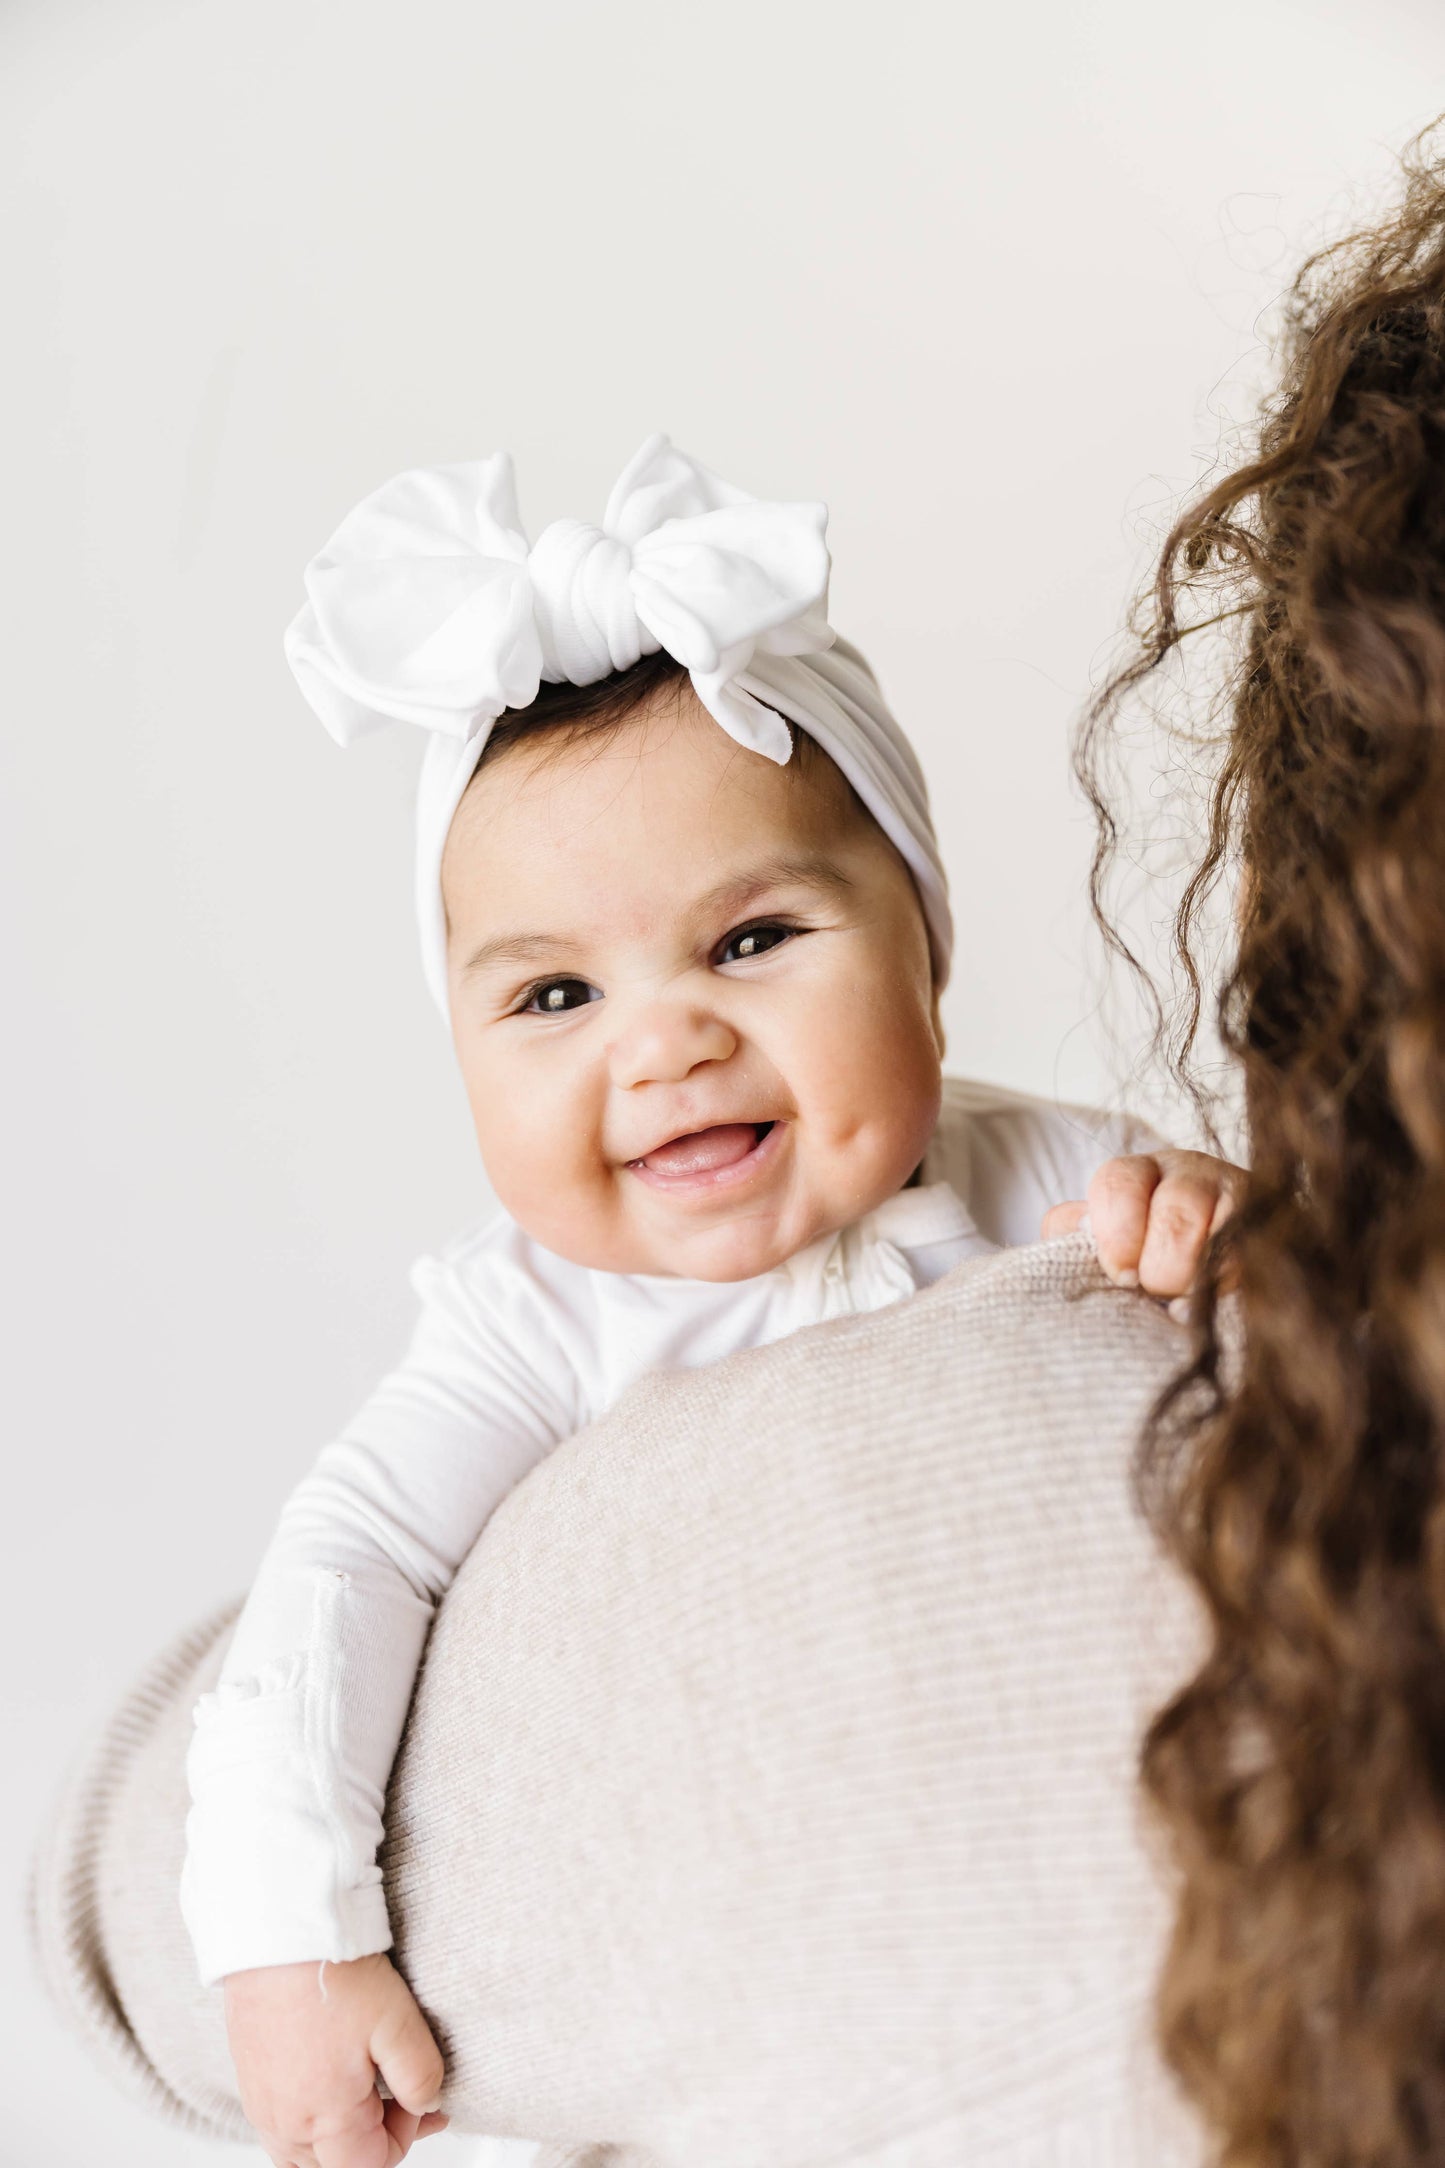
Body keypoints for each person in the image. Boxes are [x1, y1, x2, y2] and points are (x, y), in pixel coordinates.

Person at [178, 433, 1243, 2168]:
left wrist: (1220, 1227)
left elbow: (1295, 1351)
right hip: (716, 1975)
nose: (663, 1042)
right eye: (551, 995)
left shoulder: (1060, 1173)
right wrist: (286, 1920)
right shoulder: (525, 1327)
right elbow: (352, 1562)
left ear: (925, 944)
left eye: (750, 941)